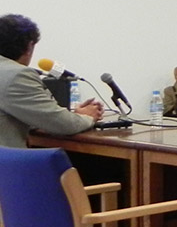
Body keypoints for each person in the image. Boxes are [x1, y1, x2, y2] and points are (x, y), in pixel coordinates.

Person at [0, 14, 102, 147]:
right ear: (30, 46)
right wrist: (88, 117)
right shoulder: (17, 75)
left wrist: (73, 116)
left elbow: (31, 116)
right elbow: (62, 125)